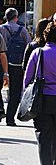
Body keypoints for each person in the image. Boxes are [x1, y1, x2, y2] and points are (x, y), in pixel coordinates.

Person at [25, 21, 56, 165]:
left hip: (42, 99)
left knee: (43, 137)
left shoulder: (38, 53)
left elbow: (27, 79)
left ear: (46, 35)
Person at [0, 8, 31, 127]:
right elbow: (28, 46)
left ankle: (0, 109)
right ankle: (10, 118)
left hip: (0, 64)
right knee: (15, 92)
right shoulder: (23, 30)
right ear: (16, 17)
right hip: (17, 65)